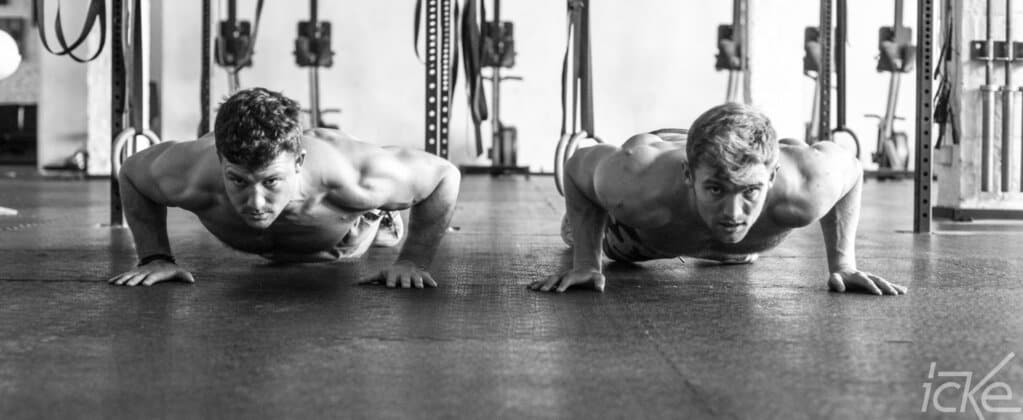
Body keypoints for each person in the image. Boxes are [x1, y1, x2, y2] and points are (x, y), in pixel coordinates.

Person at [530, 102, 907, 296]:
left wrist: (844, 265)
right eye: (716, 190)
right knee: (580, 231)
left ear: (772, 176)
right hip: (642, 236)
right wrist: (586, 261)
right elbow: (577, 165)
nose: (733, 212)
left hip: (735, 239)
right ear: (688, 176)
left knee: (734, 244)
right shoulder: (637, 183)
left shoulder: (807, 183)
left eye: (750, 192)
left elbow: (852, 170)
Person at [108, 87, 460, 289]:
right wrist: (155, 257)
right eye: (238, 180)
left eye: (271, 181)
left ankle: (380, 218)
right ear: (220, 159)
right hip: (275, 244)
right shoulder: (191, 171)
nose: (255, 201)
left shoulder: (350, 175)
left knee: (370, 216)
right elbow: (132, 173)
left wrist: (413, 261)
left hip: (344, 235)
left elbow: (444, 176)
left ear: (299, 161)